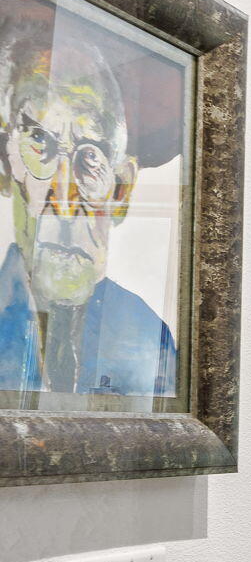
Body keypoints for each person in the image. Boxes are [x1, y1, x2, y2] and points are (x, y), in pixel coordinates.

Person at [0, 26, 177, 400]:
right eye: (40, 144)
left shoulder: (147, 338)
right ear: (7, 164)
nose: (65, 204)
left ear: (121, 188)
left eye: (90, 157)